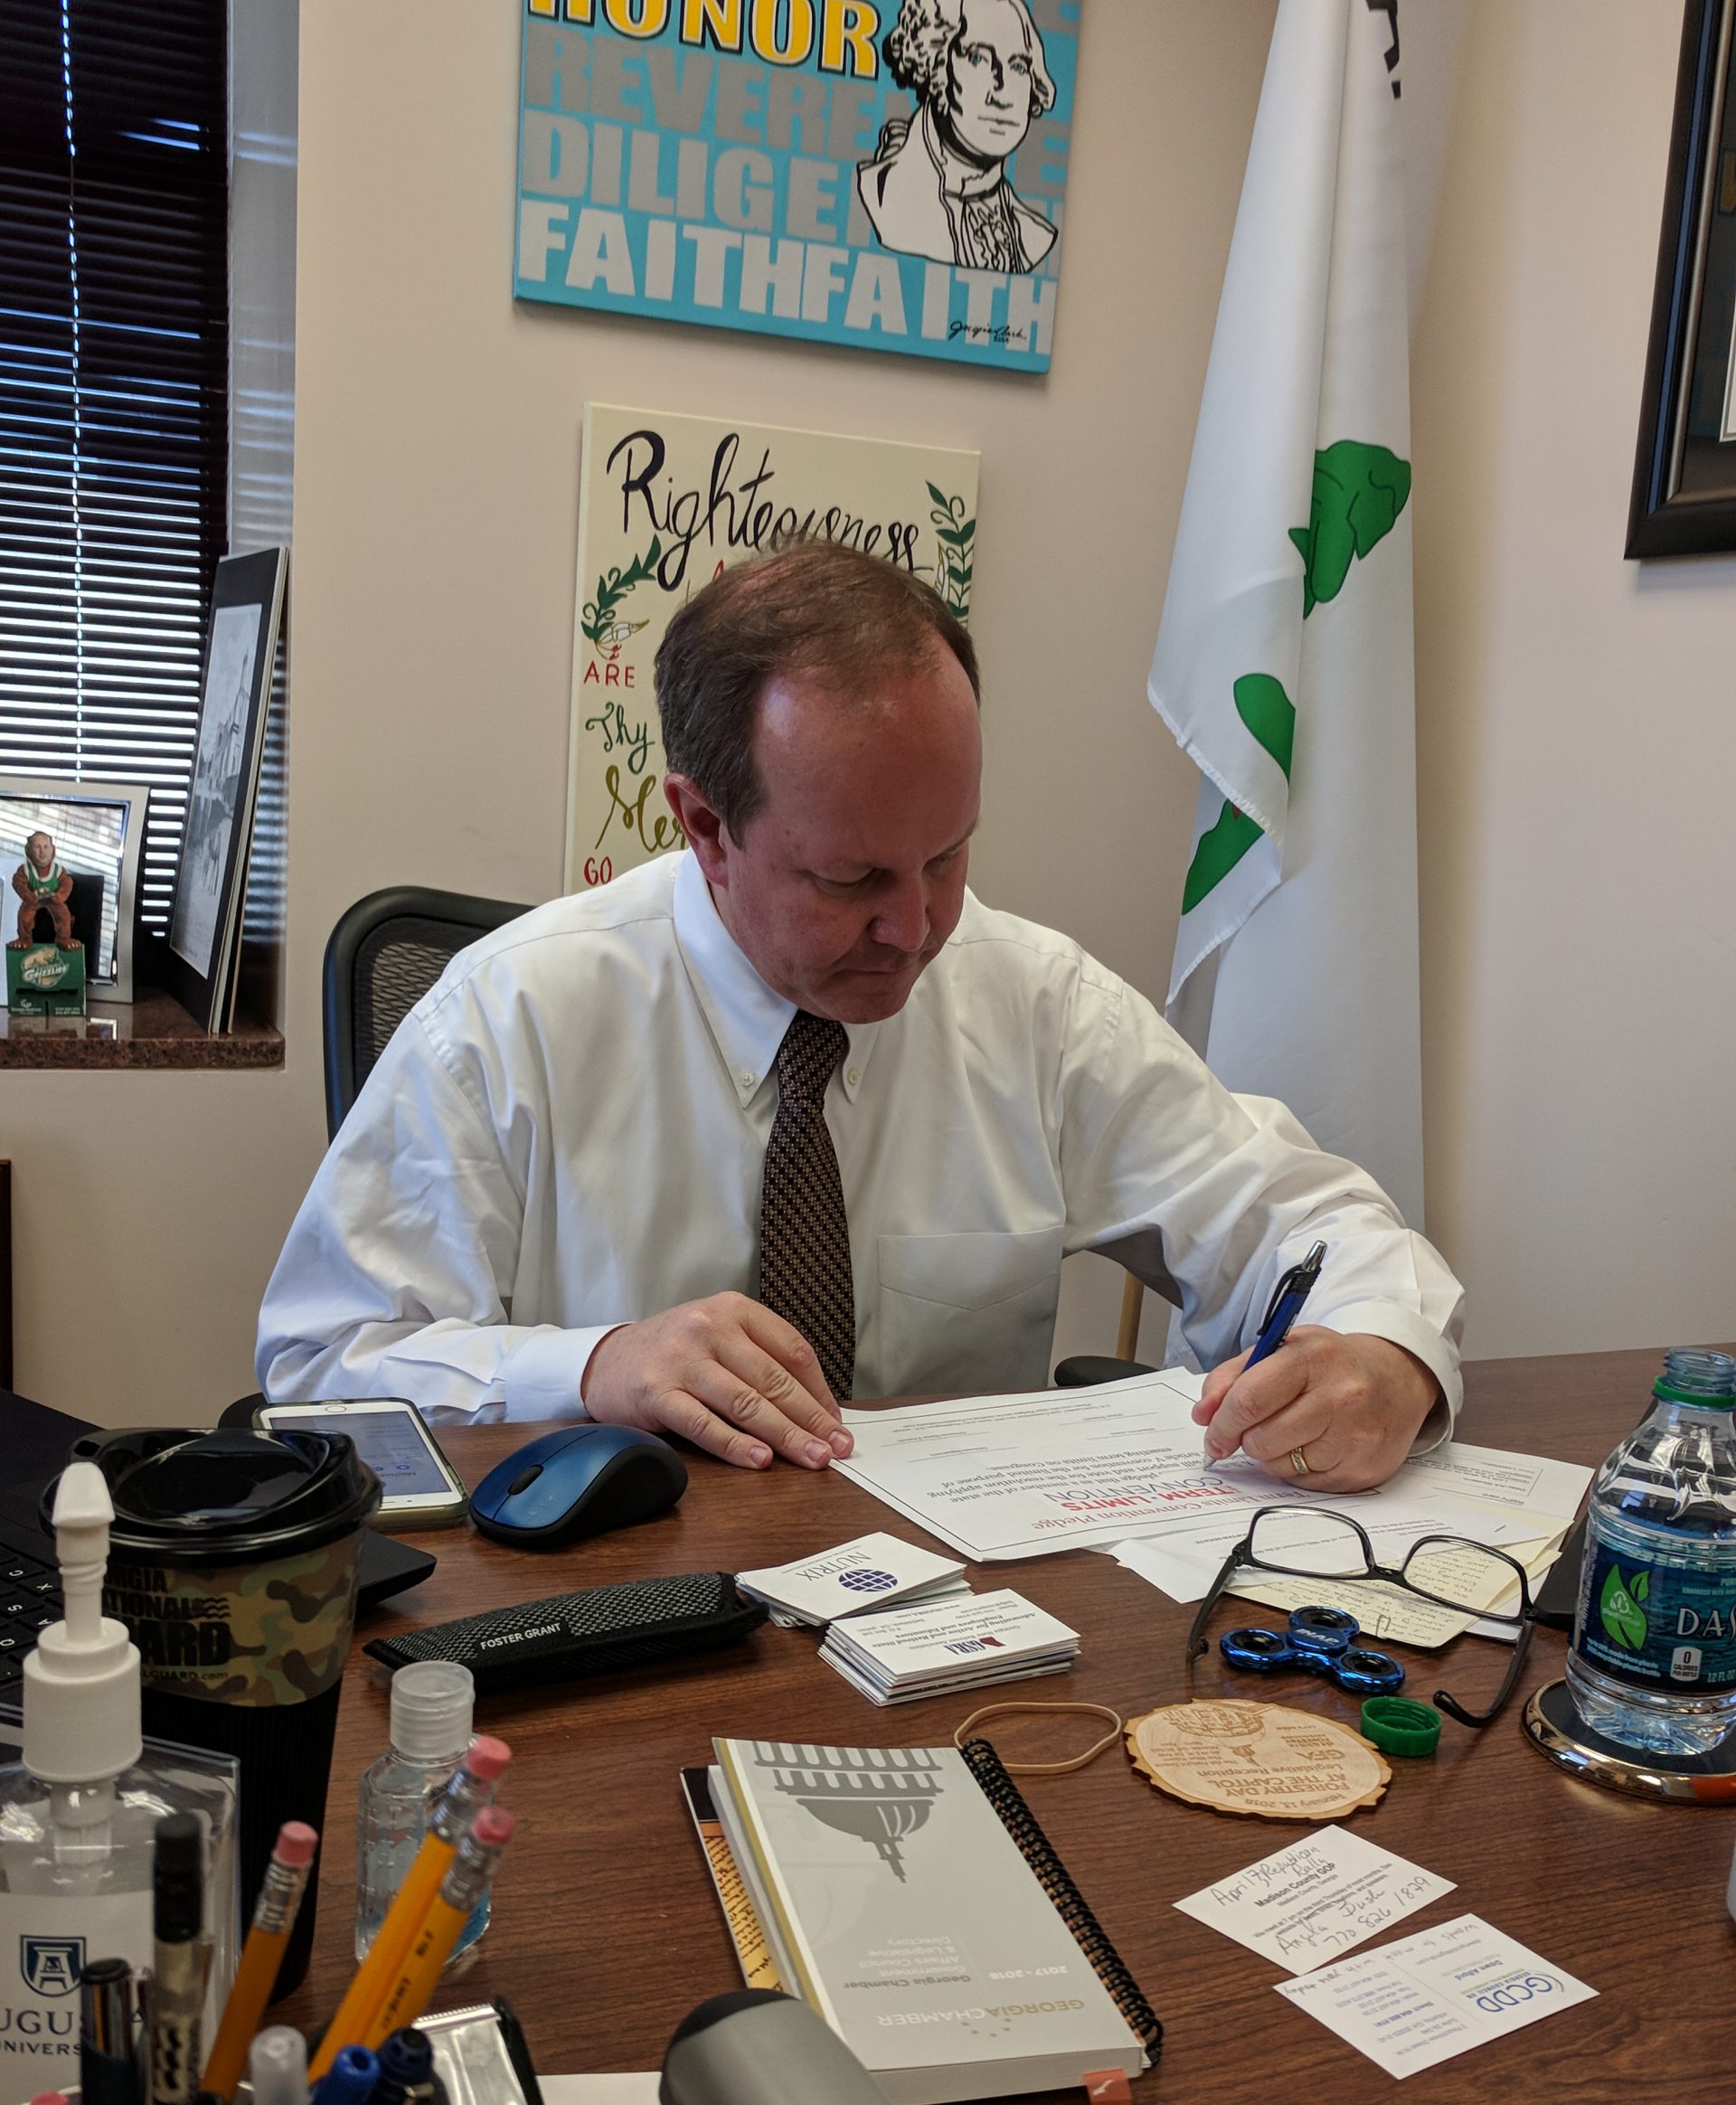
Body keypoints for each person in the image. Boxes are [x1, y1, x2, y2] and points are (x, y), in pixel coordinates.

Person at [257, 542, 1462, 1492]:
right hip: (624, 1622)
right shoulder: (508, 1021)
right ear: (703, 824)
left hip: (955, 1621)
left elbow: (1310, 1224)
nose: (918, 927)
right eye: (852, 882)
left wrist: (1381, 1354)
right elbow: (318, 1374)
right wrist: (589, 1363)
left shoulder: (1031, 1002)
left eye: (946, 856)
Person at [857, 0, 1059, 276]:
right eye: (977, 58)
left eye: (1019, 66)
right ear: (935, 63)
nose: (1002, 91)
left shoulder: (1033, 236)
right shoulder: (878, 196)